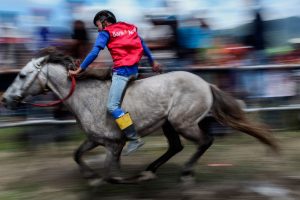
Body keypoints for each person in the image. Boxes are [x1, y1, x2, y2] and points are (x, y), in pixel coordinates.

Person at [68, 10, 160, 155]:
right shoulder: (129, 28)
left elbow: (94, 52)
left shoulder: (106, 32)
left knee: (112, 106)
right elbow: (142, 44)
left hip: (122, 74)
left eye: (98, 25)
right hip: (134, 71)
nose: (98, 28)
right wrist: (152, 61)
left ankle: (134, 138)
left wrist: (79, 69)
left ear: (104, 21)